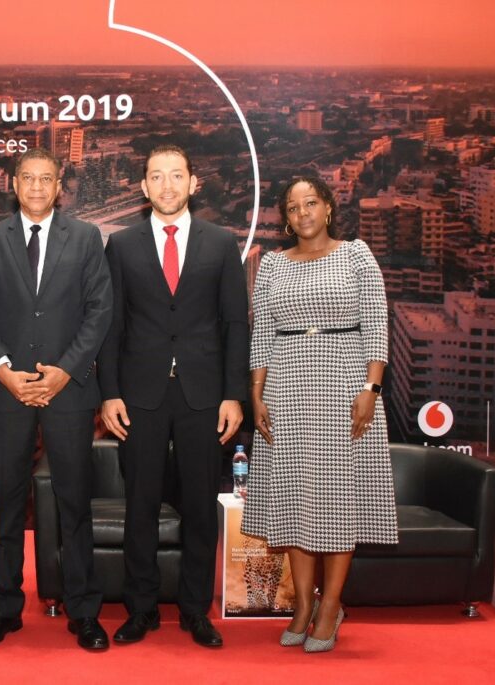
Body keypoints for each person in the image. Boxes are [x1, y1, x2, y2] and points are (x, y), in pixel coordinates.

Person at [98, 145, 249, 648]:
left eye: (176, 175)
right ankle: (140, 609)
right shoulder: (120, 246)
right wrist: (110, 393)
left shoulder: (221, 243)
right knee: (140, 505)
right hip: (139, 395)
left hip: (204, 394)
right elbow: (112, 326)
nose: (167, 185)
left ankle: (194, 610)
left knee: (201, 508)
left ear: (193, 182)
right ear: (143, 187)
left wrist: (234, 395)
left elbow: (234, 324)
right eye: (156, 177)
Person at [240, 177, 398, 653]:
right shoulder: (271, 264)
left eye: (311, 203)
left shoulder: (356, 255)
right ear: (285, 218)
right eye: (293, 207)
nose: (303, 212)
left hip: (344, 387)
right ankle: (303, 606)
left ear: (328, 207)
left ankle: (331, 605)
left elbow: (376, 321)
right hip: (286, 389)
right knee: (292, 499)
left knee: (336, 498)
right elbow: (262, 331)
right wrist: (256, 394)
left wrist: (371, 388)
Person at [0, 148, 113, 651]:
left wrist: (64, 371)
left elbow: (99, 311)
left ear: (59, 187)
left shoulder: (87, 238)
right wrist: (5, 371)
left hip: (68, 392)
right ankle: (4, 610)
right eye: (27, 178)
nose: (35, 187)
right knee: (6, 504)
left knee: (74, 504)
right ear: (14, 184)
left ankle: (84, 613)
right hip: (7, 393)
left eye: (45, 179)